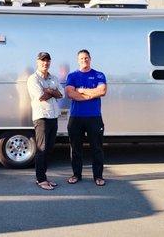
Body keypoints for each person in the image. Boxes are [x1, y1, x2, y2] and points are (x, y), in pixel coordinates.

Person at [64, 49, 107, 186]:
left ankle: (98, 176)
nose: (84, 60)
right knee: (76, 148)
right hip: (76, 118)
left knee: (97, 148)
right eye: (81, 58)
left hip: (94, 117)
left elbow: (102, 91)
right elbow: (70, 94)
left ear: (90, 59)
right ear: (78, 60)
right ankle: (76, 174)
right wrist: (91, 95)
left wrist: (82, 91)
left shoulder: (99, 75)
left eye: (86, 58)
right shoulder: (72, 76)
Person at [27, 52, 63, 190]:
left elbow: (61, 94)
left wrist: (50, 91)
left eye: (47, 60)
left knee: (49, 149)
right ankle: (40, 179)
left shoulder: (53, 77)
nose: (45, 63)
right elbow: (41, 96)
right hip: (41, 117)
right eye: (42, 60)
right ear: (37, 62)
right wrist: (52, 92)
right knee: (41, 149)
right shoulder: (33, 79)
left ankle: (44, 176)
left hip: (53, 117)